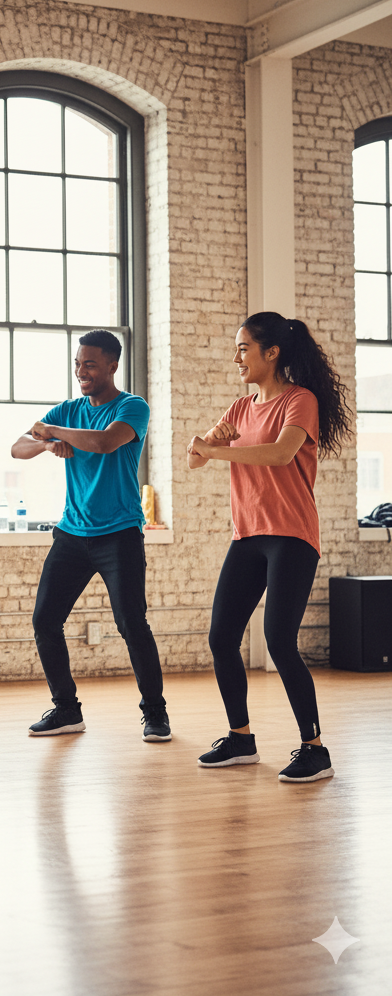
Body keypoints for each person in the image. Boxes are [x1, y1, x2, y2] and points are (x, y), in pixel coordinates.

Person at [187, 311, 351, 783]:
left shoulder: (300, 401)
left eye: (244, 347)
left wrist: (215, 449)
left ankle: (314, 749)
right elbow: (195, 459)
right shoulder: (241, 409)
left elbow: (280, 454)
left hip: (293, 537)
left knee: (279, 641)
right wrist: (208, 444)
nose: (237, 356)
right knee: (221, 637)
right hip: (249, 535)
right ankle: (241, 738)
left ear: (271, 351)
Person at [11, 329, 169, 742]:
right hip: (71, 535)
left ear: (113, 365)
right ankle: (66, 710)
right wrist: (45, 444)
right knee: (45, 620)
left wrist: (54, 433)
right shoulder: (69, 409)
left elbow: (103, 443)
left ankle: (155, 712)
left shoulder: (132, 407)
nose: (81, 371)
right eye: (78, 363)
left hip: (119, 534)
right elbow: (18, 447)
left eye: (90, 364)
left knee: (132, 624)